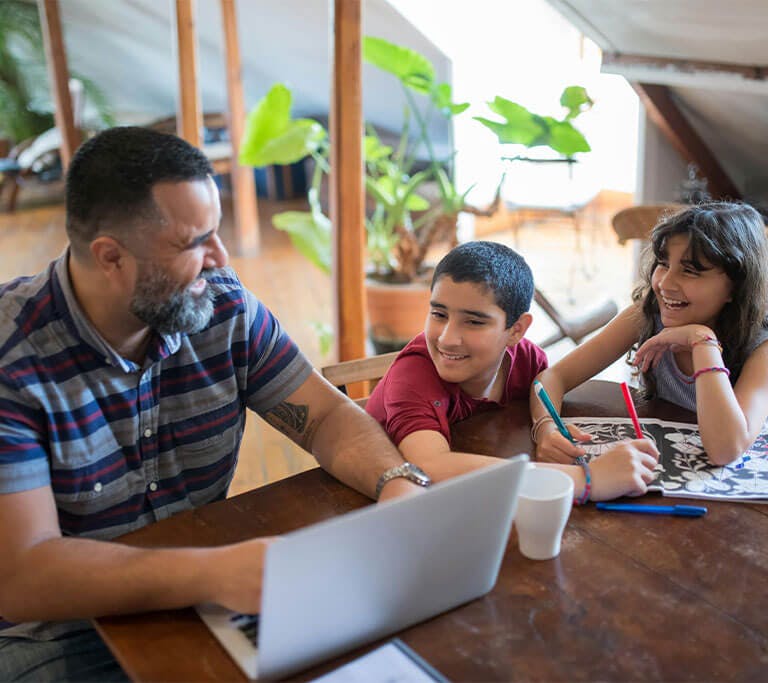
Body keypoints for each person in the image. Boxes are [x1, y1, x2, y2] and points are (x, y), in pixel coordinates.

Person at [0, 127, 429, 681]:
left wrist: (397, 481)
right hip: (59, 635)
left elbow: (323, 418)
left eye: (217, 233)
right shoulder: (12, 361)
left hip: (210, 602)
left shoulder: (221, 306)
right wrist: (216, 573)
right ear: (110, 258)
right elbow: (24, 572)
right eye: (193, 242)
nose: (220, 259)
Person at [366, 240, 659, 502]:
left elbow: (540, 391)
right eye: (439, 314)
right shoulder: (414, 373)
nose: (446, 338)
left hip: (474, 498)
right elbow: (429, 466)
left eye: (473, 322)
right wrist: (586, 480)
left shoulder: (526, 360)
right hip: (380, 508)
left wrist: (546, 427)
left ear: (516, 330)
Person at [532, 202, 768, 466]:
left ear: (736, 286)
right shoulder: (648, 314)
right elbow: (551, 377)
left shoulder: (761, 348)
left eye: (689, 271)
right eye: (664, 264)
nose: (665, 284)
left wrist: (703, 342)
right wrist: (546, 430)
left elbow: (725, 450)